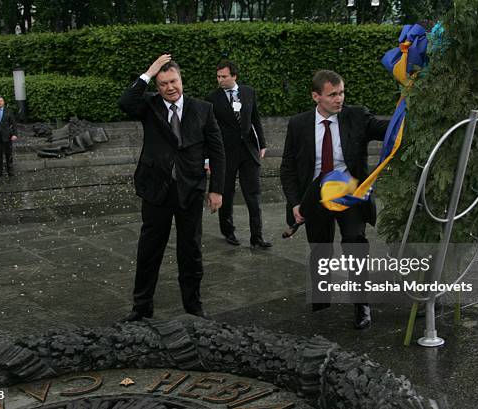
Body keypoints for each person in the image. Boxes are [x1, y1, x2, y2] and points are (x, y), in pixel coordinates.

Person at [119, 54, 226, 321]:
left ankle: (193, 306)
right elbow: (125, 103)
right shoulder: (150, 106)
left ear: (181, 79)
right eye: (163, 83)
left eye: (173, 81)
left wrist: (217, 190)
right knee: (148, 252)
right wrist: (149, 71)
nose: (170, 87)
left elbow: (218, 151)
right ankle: (141, 307)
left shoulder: (203, 109)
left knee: (191, 252)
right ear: (157, 86)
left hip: (190, 190)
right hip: (155, 191)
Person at [280, 70, 389, 329]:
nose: (339, 99)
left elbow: (389, 129)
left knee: (354, 242)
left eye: (341, 93)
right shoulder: (298, 124)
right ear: (316, 96)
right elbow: (288, 168)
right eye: (332, 95)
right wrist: (296, 203)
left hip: (348, 191)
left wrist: (408, 110)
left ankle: (361, 305)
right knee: (320, 247)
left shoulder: (356, 115)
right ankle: (321, 297)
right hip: (314, 195)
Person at [206, 60, 271, 248]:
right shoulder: (212, 98)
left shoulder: (248, 92)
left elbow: (255, 118)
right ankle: (228, 231)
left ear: (234, 76)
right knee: (226, 192)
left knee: (254, 193)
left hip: (249, 150)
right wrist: (209, 157)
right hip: (225, 153)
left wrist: (262, 144)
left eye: (224, 76)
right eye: (218, 76)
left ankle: (257, 236)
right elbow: (209, 130)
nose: (220, 80)